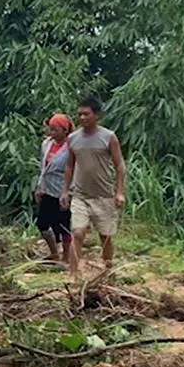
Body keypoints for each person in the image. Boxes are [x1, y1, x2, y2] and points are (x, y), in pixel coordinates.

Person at [60, 96, 126, 278]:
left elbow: (120, 165)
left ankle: (107, 269)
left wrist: (119, 192)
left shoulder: (108, 137)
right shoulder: (72, 139)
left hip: (104, 195)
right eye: (79, 114)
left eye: (86, 114)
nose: (82, 118)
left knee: (105, 236)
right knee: (78, 232)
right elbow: (69, 166)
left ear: (96, 115)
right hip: (81, 195)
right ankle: (73, 275)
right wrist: (65, 191)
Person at [34, 113, 74, 264]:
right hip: (47, 189)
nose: (52, 133)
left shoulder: (71, 147)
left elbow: (74, 170)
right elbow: (42, 168)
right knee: (42, 223)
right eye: (50, 129)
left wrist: (68, 192)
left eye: (55, 130)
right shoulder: (46, 144)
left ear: (65, 130)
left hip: (63, 190)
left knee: (63, 224)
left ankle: (66, 257)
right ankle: (54, 253)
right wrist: (39, 187)